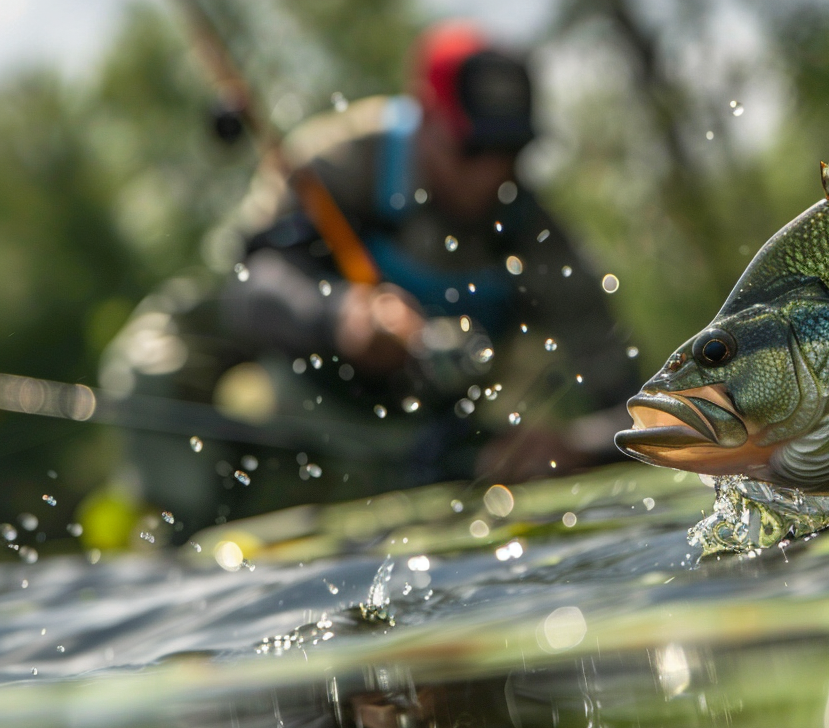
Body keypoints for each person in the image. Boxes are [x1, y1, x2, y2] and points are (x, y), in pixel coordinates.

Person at [98, 21, 639, 539]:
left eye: (512, 151)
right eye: (472, 148)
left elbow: (632, 397)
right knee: (155, 363)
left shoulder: (535, 232)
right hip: (294, 373)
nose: (492, 175)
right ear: (426, 117)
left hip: (425, 427)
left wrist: (573, 446)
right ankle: (177, 532)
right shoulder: (340, 159)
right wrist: (343, 318)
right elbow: (250, 289)